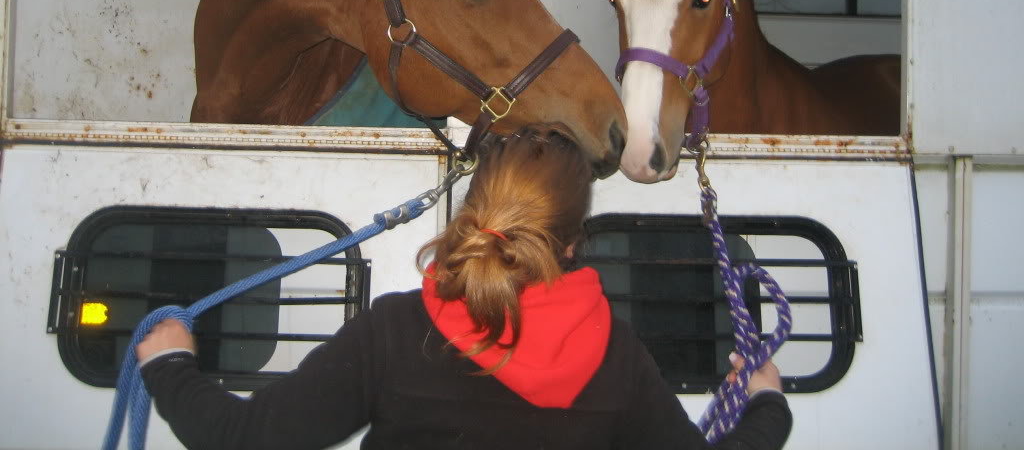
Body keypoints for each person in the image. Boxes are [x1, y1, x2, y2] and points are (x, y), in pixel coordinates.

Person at [137, 128, 792, 449]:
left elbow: (241, 436)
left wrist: (169, 364)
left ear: (472, 212)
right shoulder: (615, 360)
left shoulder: (393, 334)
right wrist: (766, 407)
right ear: (571, 242)